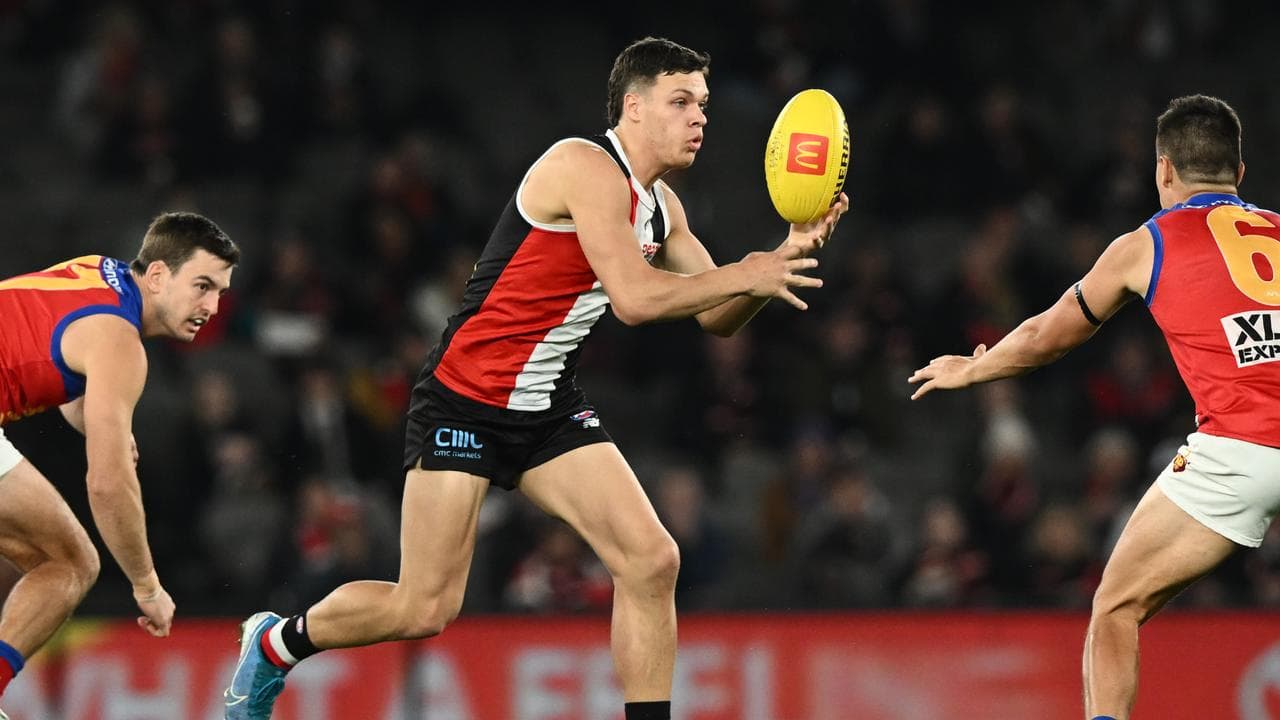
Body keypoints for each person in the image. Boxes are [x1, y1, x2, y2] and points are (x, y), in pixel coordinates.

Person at [224, 36, 847, 720]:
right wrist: (750, 268)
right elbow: (638, 299)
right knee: (422, 606)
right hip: (465, 400)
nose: (700, 117)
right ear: (633, 108)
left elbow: (718, 316)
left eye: (702, 103)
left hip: (547, 407)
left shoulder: (665, 208)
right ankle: (277, 642)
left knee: (651, 560)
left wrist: (783, 256)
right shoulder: (580, 165)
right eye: (680, 101)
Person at [908, 94, 1280, 720]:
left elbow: (1045, 337)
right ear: (1240, 174)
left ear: (1163, 171)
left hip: (1238, 453)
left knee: (1115, 606)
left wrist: (973, 367)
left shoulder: (1145, 244)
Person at [0, 212, 238, 716]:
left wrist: (100, 421)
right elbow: (108, 484)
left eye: (219, 291)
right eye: (201, 285)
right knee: (69, 563)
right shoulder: (122, 344)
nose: (212, 306)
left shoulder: (98, 272)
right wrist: (146, 584)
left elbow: (54, 361)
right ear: (156, 275)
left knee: (38, 556)